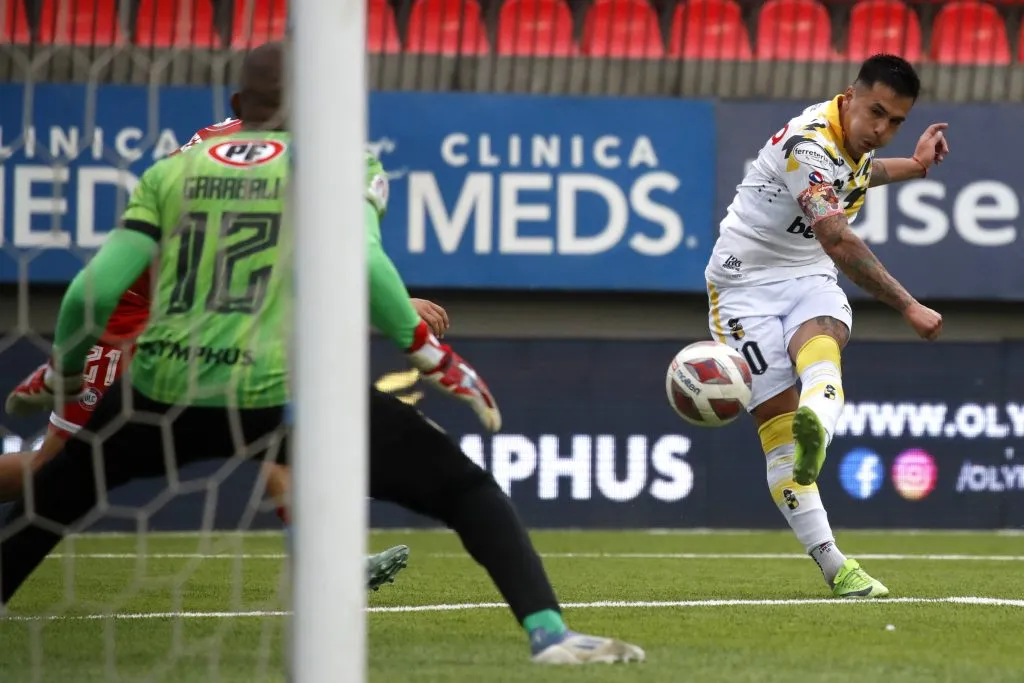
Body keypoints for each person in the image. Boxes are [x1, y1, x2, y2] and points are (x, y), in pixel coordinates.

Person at [0, 41, 644, 665]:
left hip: (167, 385)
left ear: (234, 101)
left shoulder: (173, 169)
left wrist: (61, 370)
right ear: (322, 103)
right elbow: (364, 259)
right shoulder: (339, 162)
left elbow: (93, 290)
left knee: (48, 503)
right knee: (465, 491)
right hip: (280, 393)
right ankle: (549, 634)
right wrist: (431, 359)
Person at [0, 122, 440, 596]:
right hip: (134, 316)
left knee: (276, 423)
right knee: (53, 468)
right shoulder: (243, 153)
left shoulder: (260, 143)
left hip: (196, 312)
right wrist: (386, 301)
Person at [704, 54, 947, 598]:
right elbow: (838, 239)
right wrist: (908, 305)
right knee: (779, 438)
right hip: (743, 288)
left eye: (896, 122)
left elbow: (863, 175)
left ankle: (817, 418)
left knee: (821, 341)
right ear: (849, 96)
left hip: (804, 272)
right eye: (876, 114)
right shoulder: (806, 146)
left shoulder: (855, 143)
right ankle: (835, 563)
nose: (881, 130)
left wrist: (915, 164)